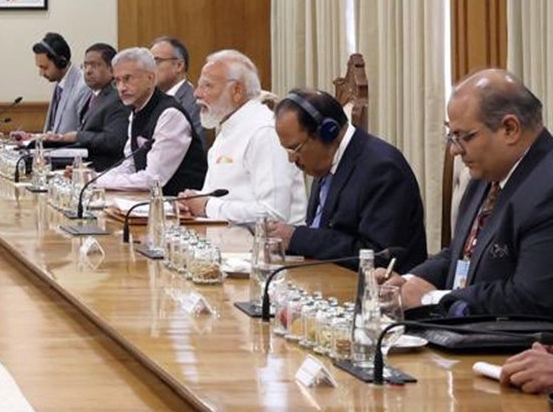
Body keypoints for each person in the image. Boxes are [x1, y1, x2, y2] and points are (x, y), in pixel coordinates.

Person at [385, 70, 553, 316]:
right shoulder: (486, 173)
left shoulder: (547, 187)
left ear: (510, 129)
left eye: (464, 137)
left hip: (511, 337)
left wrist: (432, 299)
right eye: (451, 136)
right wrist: (405, 283)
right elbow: (460, 255)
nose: (454, 150)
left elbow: (530, 298)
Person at [267, 88, 425, 270]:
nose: (291, 159)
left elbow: (377, 256)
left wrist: (297, 238)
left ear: (328, 133)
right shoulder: (327, 162)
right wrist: (285, 241)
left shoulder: (382, 169)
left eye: (296, 148)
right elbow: (323, 234)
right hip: (325, 276)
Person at [181, 50, 306, 226]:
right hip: (227, 237)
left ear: (237, 90)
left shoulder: (264, 131)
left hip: (269, 243)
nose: (197, 94)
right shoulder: (228, 127)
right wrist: (192, 201)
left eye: (207, 86)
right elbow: (219, 195)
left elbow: (274, 214)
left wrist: (207, 206)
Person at [96, 47, 207, 193]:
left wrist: (99, 181)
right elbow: (130, 165)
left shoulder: (170, 115)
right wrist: (93, 177)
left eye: (127, 79)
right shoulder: (136, 112)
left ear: (150, 79)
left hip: (180, 202)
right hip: (149, 199)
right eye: (117, 81)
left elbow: (154, 179)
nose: (121, 88)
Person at [47, 42, 127, 172]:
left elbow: (114, 141)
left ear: (112, 69)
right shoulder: (93, 96)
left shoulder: (116, 98)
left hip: (105, 172)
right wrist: (60, 139)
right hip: (83, 167)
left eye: (95, 65)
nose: (88, 71)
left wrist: (77, 136)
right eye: (85, 66)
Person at [29, 32, 90, 139]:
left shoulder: (83, 87)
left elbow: (84, 134)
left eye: (44, 67)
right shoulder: (60, 84)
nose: (41, 73)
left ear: (61, 62)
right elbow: (54, 132)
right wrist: (31, 137)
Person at [151, 35, 201, 136]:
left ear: (179, 66)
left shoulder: (193, 102)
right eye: (149, 63)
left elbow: (195, 143)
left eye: (156, 61)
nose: (150, 69)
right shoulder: (152, 101)